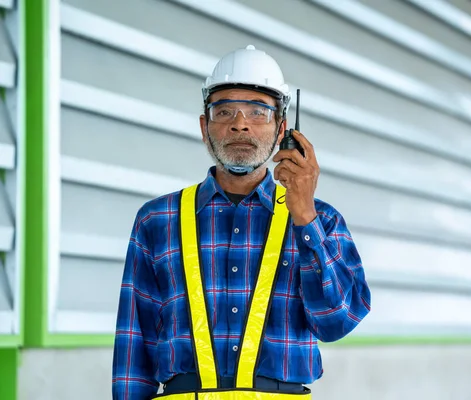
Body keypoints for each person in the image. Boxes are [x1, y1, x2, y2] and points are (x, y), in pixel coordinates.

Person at [112, 44, 371, 399]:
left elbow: (336, 322)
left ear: (283, 130)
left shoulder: (321, 220)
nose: (240, 124)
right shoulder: (157, 220)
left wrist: (305, 218)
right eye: (225, 111)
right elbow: (134, 349)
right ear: (205, 128)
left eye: (258, 111)